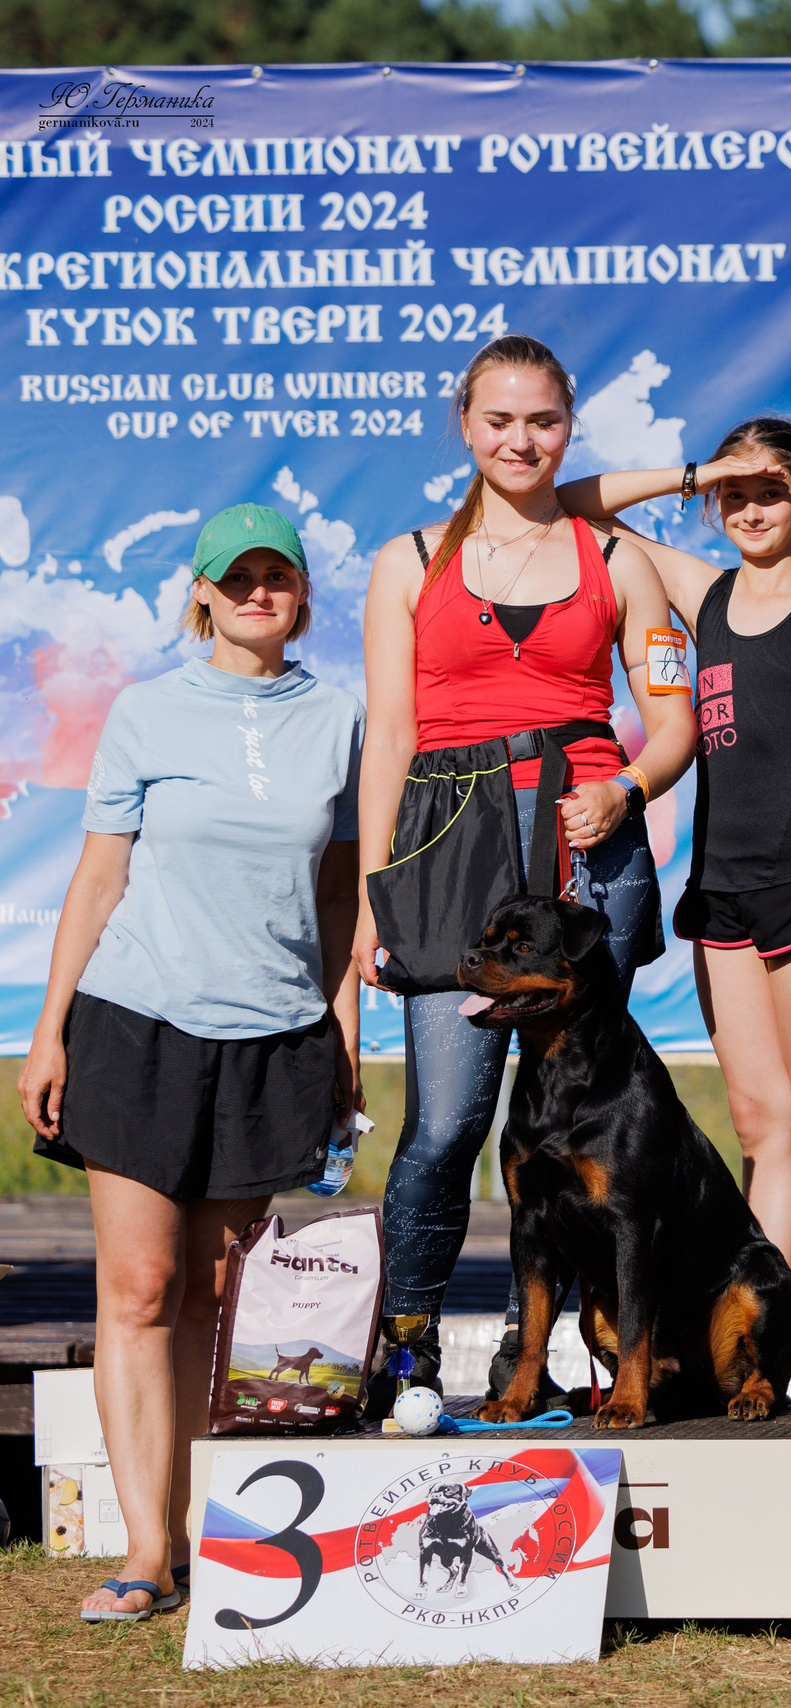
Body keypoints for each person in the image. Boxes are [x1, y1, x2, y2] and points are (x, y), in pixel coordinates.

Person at [16, 506, 363, 1620]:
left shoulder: (338, 716)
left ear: (301, 594)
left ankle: (208, 1543)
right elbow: (99, 875)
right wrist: (50, 1025)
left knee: (215, 1299)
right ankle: (144, 1552)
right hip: (136, 1020)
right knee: (140, 1287)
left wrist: (343, 1031)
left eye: (279, 576)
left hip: (271, 1034)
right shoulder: (147, 710)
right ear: (202, 592)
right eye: (239, 577)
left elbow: (338, 892)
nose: (260, 592)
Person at [354, 335, 695, 1405]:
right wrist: (377, 898)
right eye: (499, 420)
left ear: (569, 426)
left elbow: (676, 719)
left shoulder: (618, 560)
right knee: (448, 1122)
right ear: (465, 425)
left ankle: (526, 1356)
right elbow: (392, 740)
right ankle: (404, 1351)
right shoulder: (407, 561)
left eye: (541, 421)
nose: (520, 439)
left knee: (572, 1126)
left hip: (584, 852)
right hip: (451, 849)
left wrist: (627, 788)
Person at [560, 419, 791, 1412]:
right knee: (759, 1124)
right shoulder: (701, 596)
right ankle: (761, 1334)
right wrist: (701, 468)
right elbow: (574, 505)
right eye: (734, 494)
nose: (752, 508)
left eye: (773, 490)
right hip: (726, 898)